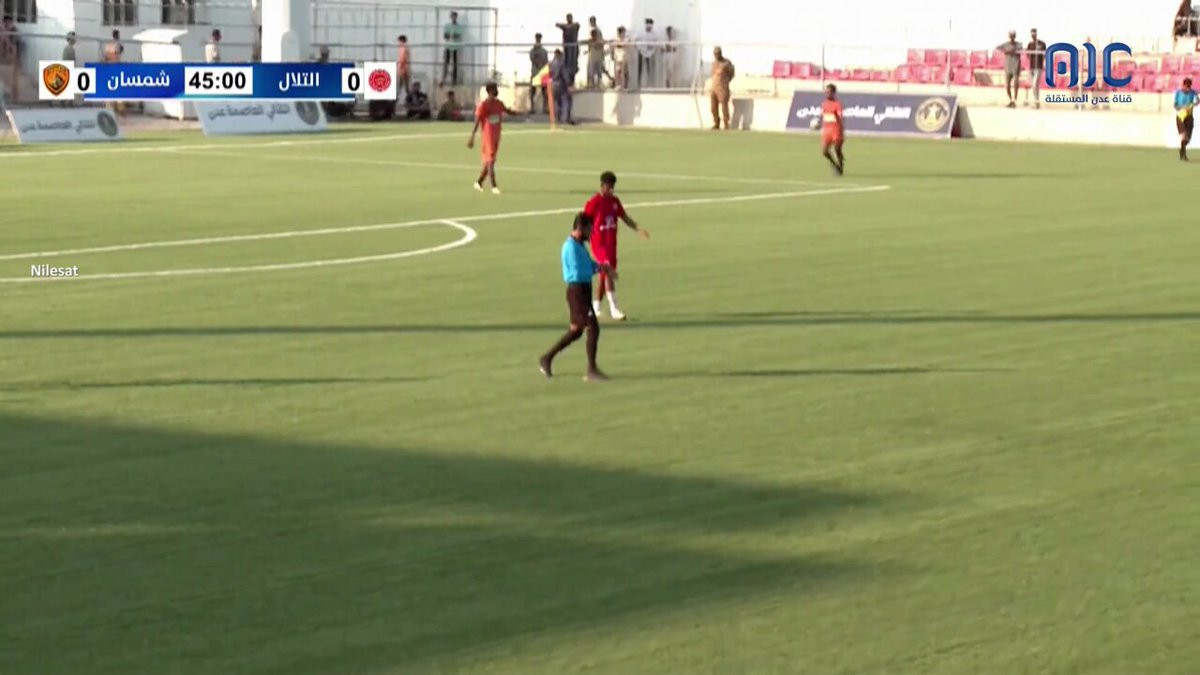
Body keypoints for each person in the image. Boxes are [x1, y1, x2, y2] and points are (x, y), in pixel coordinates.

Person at [539, 212, 613, 382]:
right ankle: (591, 369)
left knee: (576, 331)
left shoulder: (579, 245)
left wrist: (602, 267)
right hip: (577, 292)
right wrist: (597, 269)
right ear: (581, 228)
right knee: (593, 327)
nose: (591, 233)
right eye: (589, 230)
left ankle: (547, 358)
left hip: (582, 291)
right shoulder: (570, 247)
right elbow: (579, 272)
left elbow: (588, 264)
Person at [584, 171, 649, 321]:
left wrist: (638, 228)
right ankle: (614, 308)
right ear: (602, 186)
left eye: (613, 187)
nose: (611, 190)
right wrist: (583, 237)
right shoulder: (594, 202)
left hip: (611, 244)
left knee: (604, 275)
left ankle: (595, 307)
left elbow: (624, 217)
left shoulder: (615, 202)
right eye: (609, 187)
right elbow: (584, 220)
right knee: (608, 271)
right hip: (599, 244)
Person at [468, 81, 519, 194]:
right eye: (495, 89)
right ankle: (494, 186)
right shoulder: (484, 105)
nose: (497, 91)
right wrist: (472, 136)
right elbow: (477, 120)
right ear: (490, 91)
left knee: (489, 161)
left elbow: (507, 111)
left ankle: (479, 182)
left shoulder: (498, 104)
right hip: (488, 137)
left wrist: (518, 113)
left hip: (496, 136)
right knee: (490, 161)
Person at [820, 84, 846, 175]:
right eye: (826, 92)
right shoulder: (824, 104)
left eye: (829, 92)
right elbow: (822, 115)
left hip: (836, 130)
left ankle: (840, 166)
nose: (827, 93)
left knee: (837, 149)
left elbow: (840, 116)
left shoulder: (837, 104)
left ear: (834, 93)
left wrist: (837, 116)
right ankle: (834, 164)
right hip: (827, 131)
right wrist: (818, 123)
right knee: (824, 151)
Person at [710, 46, 735, 130]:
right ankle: (716, 123)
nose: (716, 55)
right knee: (713, 107)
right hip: (714, 87)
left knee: (724, 107)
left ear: (720, 53)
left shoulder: (726, 63)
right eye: (715, 54)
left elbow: (732, 73)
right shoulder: (713, 63)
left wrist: (726, 81)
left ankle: (726, 123)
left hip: (723, 87)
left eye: (718, 53)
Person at [549, 48, 574, 125]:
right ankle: (565, 118)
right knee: (566, 101)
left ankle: (557, 118)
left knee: (556, 102)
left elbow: (549, 74)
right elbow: (565, 75)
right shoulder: (561, 64)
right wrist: (569, 84)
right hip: (561, 84)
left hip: (553, 84)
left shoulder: (551, 64)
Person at [997, 30, 1021, 108]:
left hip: (1016, 66)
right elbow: (998, 48)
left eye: (1013, 35)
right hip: (1008, 66)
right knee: (1007, 85)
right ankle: (1010, 100)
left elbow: (1017, 50)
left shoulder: (1018, 44)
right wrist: (1005, 51)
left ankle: (1015, 100)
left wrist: (1009, 51)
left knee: (1016, 84)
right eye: (1010, 35)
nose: (1012, 37)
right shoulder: (1006, 44)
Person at [1175, 77, 1197, 161]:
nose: (1187, 89)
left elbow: (1197, 101)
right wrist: (1182, 108)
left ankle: (1182, 150)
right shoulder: (1178, 93)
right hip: (1181, 117)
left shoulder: (1193, 92)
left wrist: (1194, 104)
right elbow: (1175, 106)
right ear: (1183, 85)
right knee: (1183, 136)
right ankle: (1183, 153)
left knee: (1188, 138)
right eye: (1186, 87)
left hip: (1189, 117)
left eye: (1189, 87)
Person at [635, 18, 659, 89]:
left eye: (650, 27)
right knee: (640, 69)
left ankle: (650, 84)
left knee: (650, 69)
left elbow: (656, 44)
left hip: (650, 54)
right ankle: (639, 84)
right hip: (641, 52)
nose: (649, 28)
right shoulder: (640, 32)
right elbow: (635, 41)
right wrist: (639, 49)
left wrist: (652, 50)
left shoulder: (654, 34)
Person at [556, 13, 580, 81]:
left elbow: (571, 26)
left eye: (570, 17)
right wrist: (563, 26)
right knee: (566, 64)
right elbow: (557, 25)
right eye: (568, 18)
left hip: (573, 47)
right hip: (566, 47)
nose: (569, 19)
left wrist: (564, 26)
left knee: (573, 64)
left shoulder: (575, 25)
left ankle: (572, 79)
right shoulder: (565, 26)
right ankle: (568, 80)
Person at [1026, 28, 1046, 108]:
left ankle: (1036, 101)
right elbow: (1027, 54)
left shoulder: (1042, 44)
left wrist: (1044, 63)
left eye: (1034, 34)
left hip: (1038, 67)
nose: (1033, 35)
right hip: (1031, 67)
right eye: (1032, 34)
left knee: (1035, 84)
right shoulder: (1030, 44)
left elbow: (1045, 55)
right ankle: (1036, 101)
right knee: (1034, 85)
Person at [442, 11, 463, 86]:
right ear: (451, 17)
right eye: (452, 16)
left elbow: (458, 35)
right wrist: (452, 35)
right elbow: (445, 36)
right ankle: (443, 79)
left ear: (456, 17)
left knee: (455, 64)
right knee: (446, 63)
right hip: (448, 46)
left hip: (455, 47)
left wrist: (451, 35)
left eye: (455, 16)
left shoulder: (459, 26)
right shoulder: (447, 25)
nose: (454, 18)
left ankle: (454, 80)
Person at [529, 33, 548, 112]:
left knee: (545, 91)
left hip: (542, 72)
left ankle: (545, 108)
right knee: (532, 91)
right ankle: (532, 108)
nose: (538, 39)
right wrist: (535, 52)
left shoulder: (544, 51)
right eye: (537, 38)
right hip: (535, 72)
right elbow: (532, 59)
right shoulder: (532, 50)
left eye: (539, 38)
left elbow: (545, 61)